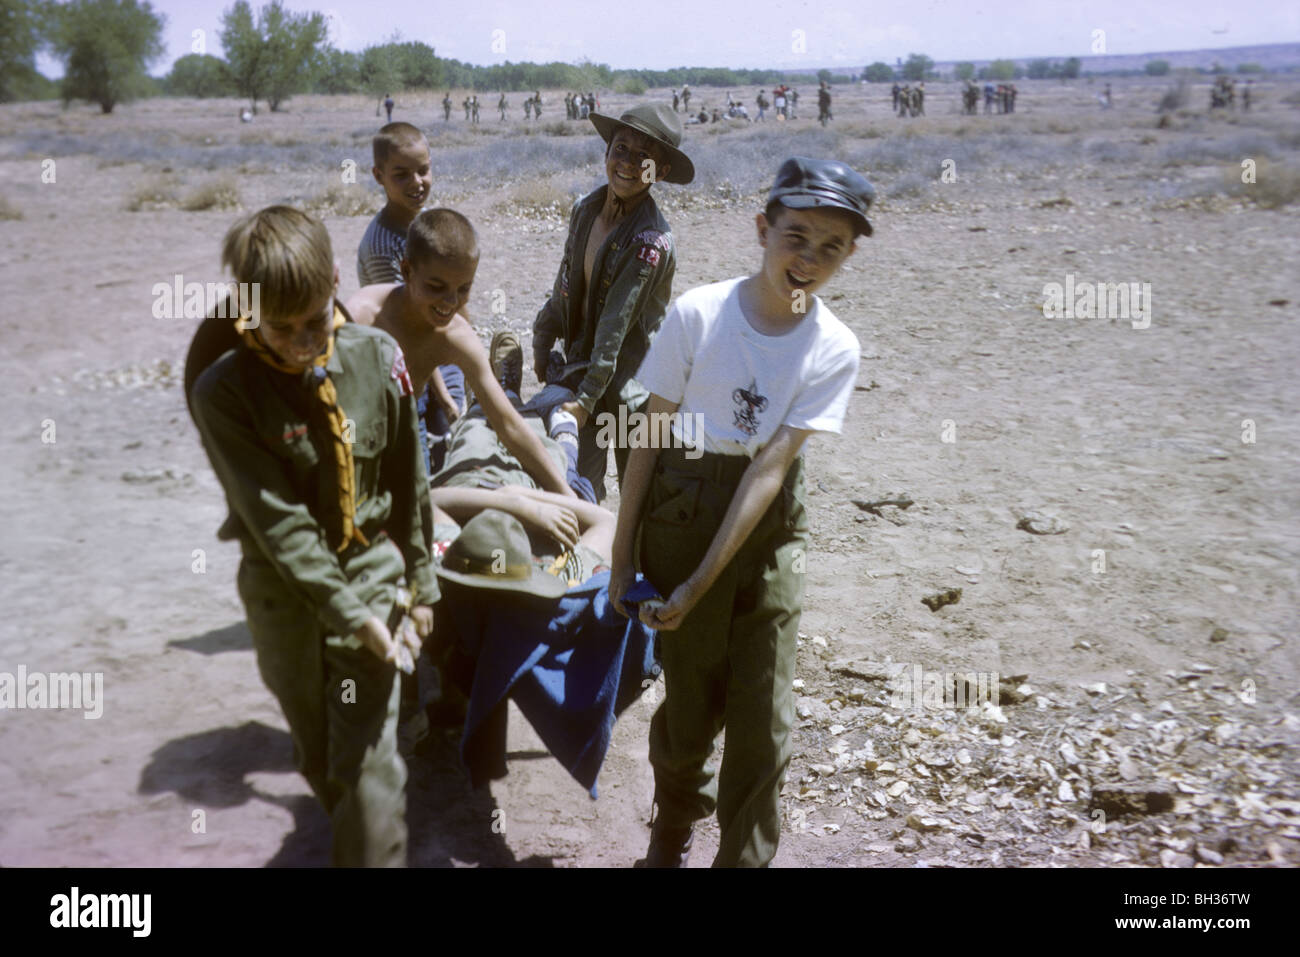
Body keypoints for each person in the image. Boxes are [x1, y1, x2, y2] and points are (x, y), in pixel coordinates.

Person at [609, 156, 872, 868]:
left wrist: (704, 584)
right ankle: (670, 833)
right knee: (690, 697)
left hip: (770, 524)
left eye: (832, 247)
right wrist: (623, 556)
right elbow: (648, 437)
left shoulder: (835, 348)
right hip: (681, 505)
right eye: (796, 236)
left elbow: (771, 467)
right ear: (762, 229)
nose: (809, 259)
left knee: (765, 714)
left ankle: (743, 858)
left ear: (850, 255)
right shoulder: (699, 313)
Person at [188, 206, 438, 867]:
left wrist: (420, 587)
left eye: (316, 322)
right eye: (282, 328)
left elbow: (411, 482)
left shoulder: (378, 357)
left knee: (367, 767)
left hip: (371, 575)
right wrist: (344, 613)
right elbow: (279, 523)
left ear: (334, 281)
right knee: (319, 751)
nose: (302, 344)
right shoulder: (225, 392)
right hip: (284, 599)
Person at [347, 208, 577, 500]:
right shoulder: (363, 318)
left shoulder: (455, 336)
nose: (451, 301)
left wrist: (564, 495)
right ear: (406, 271)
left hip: (402, 440)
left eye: (463, 288)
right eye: (436, 287)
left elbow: (508, 424)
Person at [531, 103, 694, 501]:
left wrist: (585, 400)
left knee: (638, 494)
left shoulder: (650, 242)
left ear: (662, 172)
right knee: (579, 486)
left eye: (644, 157)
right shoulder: (585, 209)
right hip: (580, 372)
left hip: (630, 389)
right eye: (621, 149)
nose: (628, 163)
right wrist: (543, 334)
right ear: (607, 151)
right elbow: (566, 284)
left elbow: (614, 331)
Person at [355, 123, 464, 472]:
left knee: (453, 455)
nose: (417, 182)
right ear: (378, 175)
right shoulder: (384, 246)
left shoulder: (423, 226)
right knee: (424, 471)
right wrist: (444, 397)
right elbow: (409, 329)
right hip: (407, 370)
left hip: (440, 354)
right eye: (401, 175)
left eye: (423, 170)